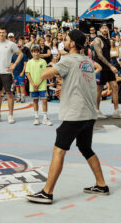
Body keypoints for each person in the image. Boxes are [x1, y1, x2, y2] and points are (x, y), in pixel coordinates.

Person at [26, 29, 107, 205]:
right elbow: (79, 80)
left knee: (59, 150)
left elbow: (44, 75)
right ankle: (101, 185)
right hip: (89, 113)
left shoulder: (68, 60)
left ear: (72, 44)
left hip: (75, 114)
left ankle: (47, 192)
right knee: (85, 148)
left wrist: (49, 64)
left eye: (67, 39)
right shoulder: (87, 61)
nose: (64, 40)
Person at [91, 23, 121, 119]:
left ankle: (116, 111)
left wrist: (112, 65)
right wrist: (111, 66)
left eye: (106, 28)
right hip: (100, 67)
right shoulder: (97, 40)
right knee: (99, 90)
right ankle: (96, 111)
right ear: (99, 30)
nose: (104, 29)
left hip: (108, 67)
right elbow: (99, 55)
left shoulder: (108, 40)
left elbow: (108, 55)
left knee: (115, 86)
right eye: (103, 28)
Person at [0, 27, 22, 124]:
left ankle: (10, 116)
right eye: (0, 32)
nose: (2, 34)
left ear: (6, 34)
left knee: (9, 94)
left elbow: (20, 54)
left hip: (7, 73)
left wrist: (14, 65)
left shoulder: (11, 44)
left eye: (3, 32)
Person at [24, 44, 51, 125]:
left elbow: (45, 73)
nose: (36, 53)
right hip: (33, 86)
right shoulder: (29, 62)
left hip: (42, 85)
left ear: (39, 53)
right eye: (34, 52)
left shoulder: (43, 61)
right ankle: (36, 118)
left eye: (37, 52)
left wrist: (38, 83)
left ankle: (45, 118)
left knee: (44, 101)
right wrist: (33, 84)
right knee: (35, 101)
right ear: (32, 53)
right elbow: (28, 74)